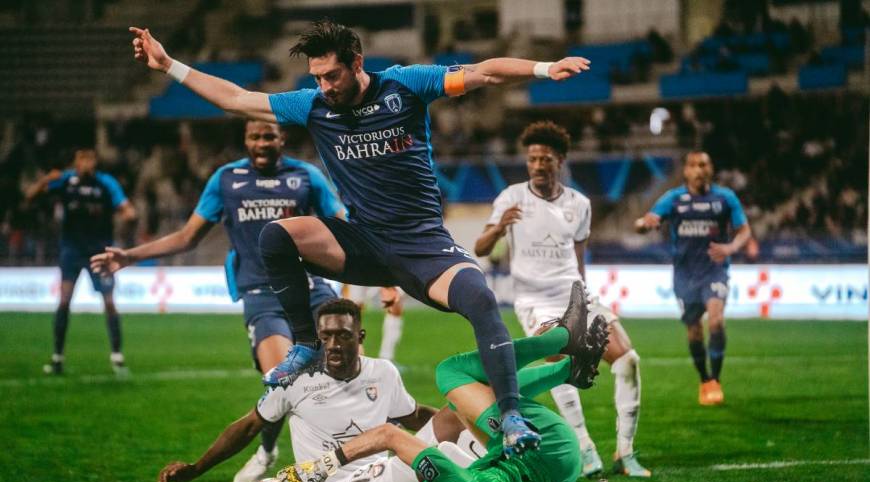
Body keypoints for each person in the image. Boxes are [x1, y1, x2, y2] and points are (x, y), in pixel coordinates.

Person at [127, 19, 592, 456]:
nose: (323, 87)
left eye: (331, 76)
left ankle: (510, 417)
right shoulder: (311, 105)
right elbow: (235, 98)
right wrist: (170, 65)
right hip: (362, 242)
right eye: (316, 78)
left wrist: (544, 68)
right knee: (277, 236)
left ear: (357, 63)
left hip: (423, 246)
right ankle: (306, 344)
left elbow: (484, 73)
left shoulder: (404, 85)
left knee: (481, 299)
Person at [235, 281, 610, 482]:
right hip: (548, 453)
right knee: (455, 376)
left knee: (464, 412)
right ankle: (561, 347)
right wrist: (313, 471)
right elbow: (388, 435)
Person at [91, 120, 344, 482]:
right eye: (254, 136)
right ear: (246, 140)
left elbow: (343, 225)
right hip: (262, 294)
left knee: (347, 373)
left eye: (269, 136)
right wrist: (130, 255)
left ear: (282, 139)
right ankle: (269, 453)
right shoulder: (226, 180)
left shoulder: (306, 177)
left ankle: (347, 464)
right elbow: (187, 236)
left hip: (312, 290)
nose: (262, 142)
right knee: (283, 383)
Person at [156, 298, 438, 482]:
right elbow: (249, 426)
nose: (334, 345)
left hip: (381, 478)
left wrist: (467, 420)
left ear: (360, 336)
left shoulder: (383, 372)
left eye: (343, 335)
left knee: (450, 433)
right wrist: (196, 469)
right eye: (326, 336)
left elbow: (413, 416)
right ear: (317, 338)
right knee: (439, 467)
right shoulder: (295, 379)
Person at [474, 121, 650, 478]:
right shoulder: (511, 197)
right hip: (534, 300)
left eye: (546, 159)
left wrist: (587, 301)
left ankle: (626, 452)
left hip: (576, 296)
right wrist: (497, 227)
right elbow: (480, 248)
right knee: (558, 361)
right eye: (533, 159)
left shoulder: (579, 204)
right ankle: (585, 447)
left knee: (628, 360)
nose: (538, 165)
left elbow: (579, 257)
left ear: (561, 161)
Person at [635, 151, 751, 405]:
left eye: (704, 164)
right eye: (694, 165)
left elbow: (744, 230)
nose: (699, 169)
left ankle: (715, 382)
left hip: (715, 269)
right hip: (685, 275)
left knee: (716, 320)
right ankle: (703, 378)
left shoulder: (725, 197)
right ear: (686, 171)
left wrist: (731, 248)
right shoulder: (674, 199)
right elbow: (645, 222)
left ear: (710, 169)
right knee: (694, 331)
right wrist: (645, 223)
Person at [24, 149, 137, 376]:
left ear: (95, 161)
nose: (86, 163)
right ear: (75, 161)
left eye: (90, 158)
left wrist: (127, 217)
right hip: (72, 250)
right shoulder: (65, 180)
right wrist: (47, 178)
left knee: (109, 303)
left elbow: (128, 211)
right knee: (64, 300)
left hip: (99, 253)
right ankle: (57, 357)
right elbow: (30, 195)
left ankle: (117, 356)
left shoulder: (106, 183)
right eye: (81, 158)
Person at [343, 285, 405, 362]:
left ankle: (387, 358)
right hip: (358, 273)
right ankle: (352, 356)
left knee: (394, 304)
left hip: (388, 273)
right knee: (353, 309)